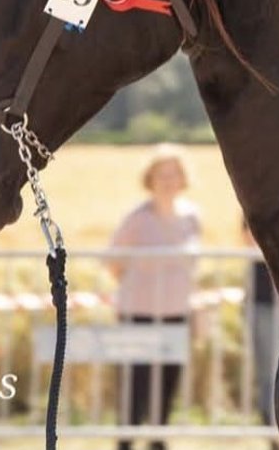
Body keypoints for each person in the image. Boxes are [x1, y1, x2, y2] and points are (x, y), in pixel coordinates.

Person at [108, 144, 201, 450]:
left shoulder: (192, 217)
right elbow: (113, 261)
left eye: (174, 174)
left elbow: (193, 269)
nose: (169, 180)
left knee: (165, 393)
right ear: (151, 178)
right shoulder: (137, 219)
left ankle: (158, 444)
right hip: (138, 316)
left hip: (176, 316)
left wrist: (193, 309)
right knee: (134, 392)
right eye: (162, 174)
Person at [242, 218, 279, 446]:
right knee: (268, 374)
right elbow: (249, 238)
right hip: (263, 302)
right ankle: (272, 434)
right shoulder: (256, 199)